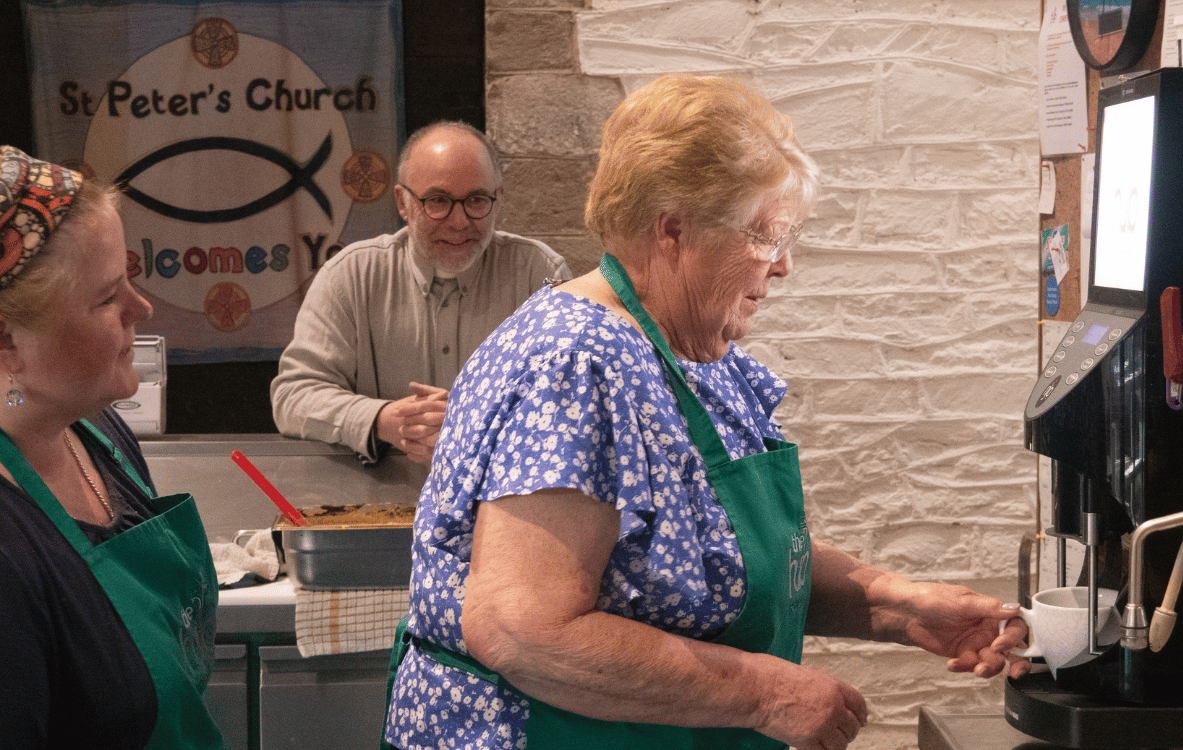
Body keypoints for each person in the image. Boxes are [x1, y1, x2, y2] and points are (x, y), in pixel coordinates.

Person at [382, 75, 1031, 750]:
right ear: (673, 231)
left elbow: (714, 558)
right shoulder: (575, 363)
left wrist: (897, 604)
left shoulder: (689, 357)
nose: (782, 267)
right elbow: (523, 629)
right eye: (769, 236)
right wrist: (768, 692)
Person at [0, 146, 221, 748]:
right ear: (8, 342)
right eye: (106, 298)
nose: (140, 309)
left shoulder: (101, 433)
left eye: (130, 278)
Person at [271, 121, 573, 465]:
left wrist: (475, 423)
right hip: (379, 508)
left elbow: (575, 404)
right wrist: (382, 420)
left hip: (505, 506)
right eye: (438, 201)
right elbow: (292, 397)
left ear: (498, 199)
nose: (459, 221)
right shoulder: (350, 275)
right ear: (402, 202)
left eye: (476, 200)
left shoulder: (540, 274)